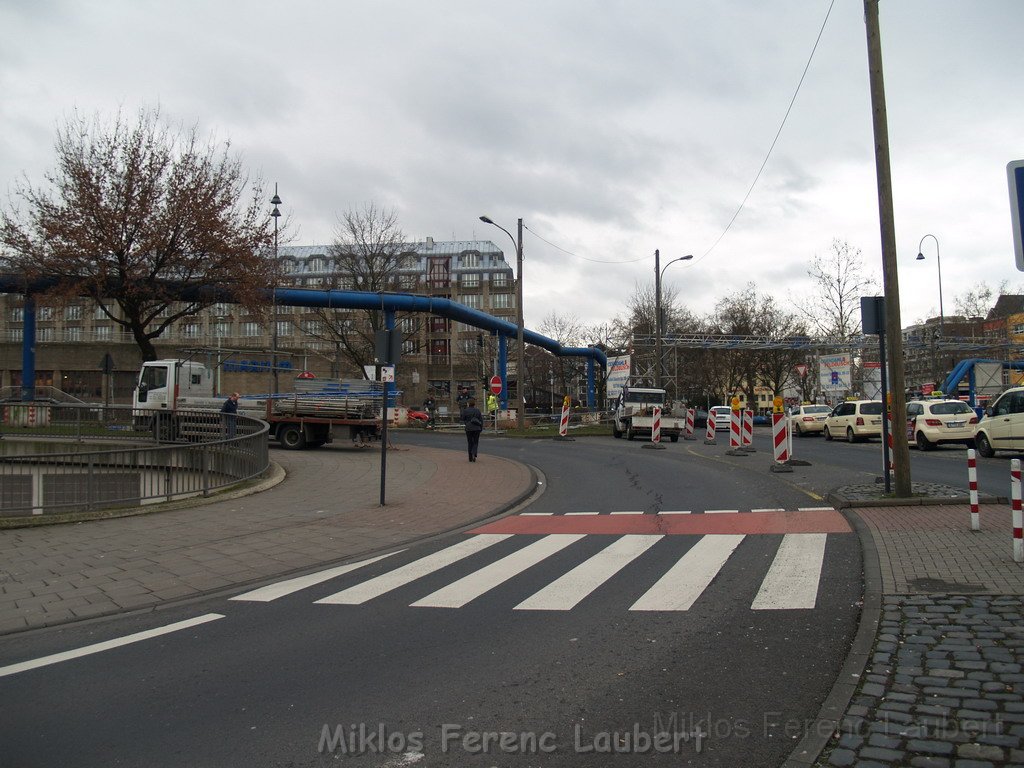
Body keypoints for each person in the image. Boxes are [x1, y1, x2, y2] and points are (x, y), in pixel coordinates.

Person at [462, 397, 484, 462]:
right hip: (477, 428)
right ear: (474, 404)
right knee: (475, 442)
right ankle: (474, 452)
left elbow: (463, 418)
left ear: (468, 404)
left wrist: (467, 423)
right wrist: (481, 428)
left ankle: (470, 457)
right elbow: (481, 420)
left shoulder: (465, 410)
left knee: (470, 442)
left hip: (469, 428)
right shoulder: (477, 410)